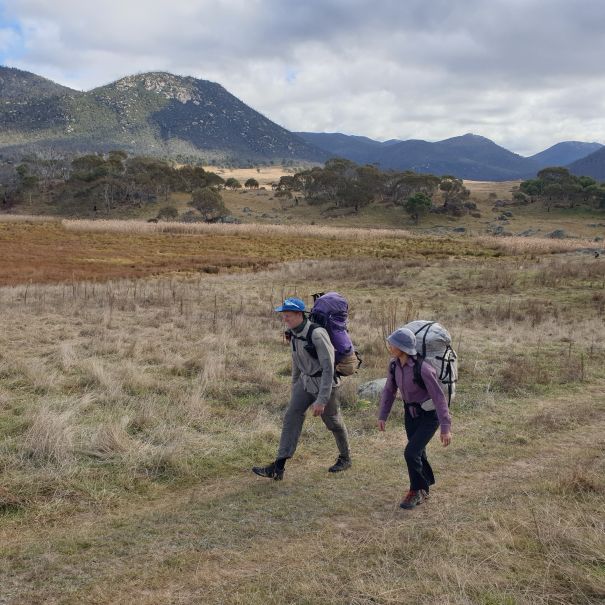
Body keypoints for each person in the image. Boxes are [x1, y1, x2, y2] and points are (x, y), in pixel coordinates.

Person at [252, 297, 351, 480]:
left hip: (324, 384)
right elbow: (296, 361)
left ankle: (345, 457)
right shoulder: (293, 333)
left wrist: (322, 399)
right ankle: (278, 467)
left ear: (299, 314)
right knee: (291, 416)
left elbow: (328, 368)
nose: (285, 319)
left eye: (288, 315)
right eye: (284, 316)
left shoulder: (317, 334)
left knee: (333, 423)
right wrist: (295, 386)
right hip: (304, 383)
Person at [377, 327, 452, 509]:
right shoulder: (394, 365)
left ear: (402, 347)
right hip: (410, 416)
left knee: (410, 453)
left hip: (429, 417)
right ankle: (425, 487)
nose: (389, 346)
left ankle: (416, 490)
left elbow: (439, 397)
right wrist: (383, 415)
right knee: (418, 452)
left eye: (392, 344)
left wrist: (445, 427)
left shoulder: (424, 369)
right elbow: (389, 390)